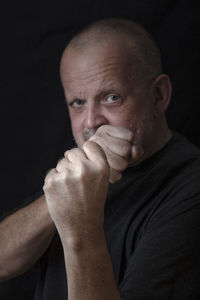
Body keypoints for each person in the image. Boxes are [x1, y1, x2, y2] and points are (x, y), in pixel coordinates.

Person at [0, 18, 200, 299]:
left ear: (158, 96)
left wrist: (79, 225)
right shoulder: (78, 170)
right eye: (78, 103)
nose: (91, 122)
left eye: (112, 97)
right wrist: (59, 197)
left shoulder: (191, 188)